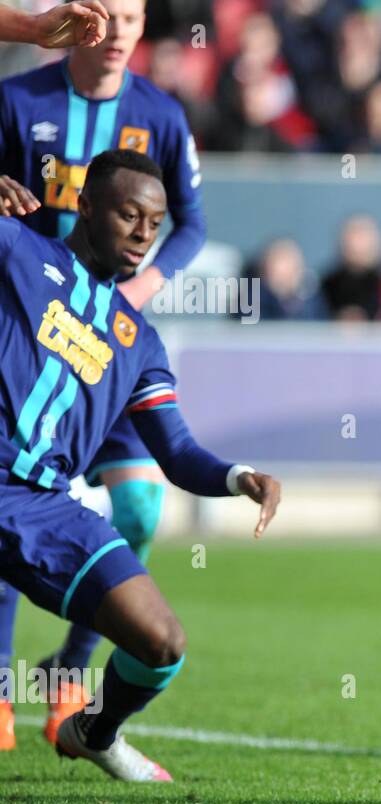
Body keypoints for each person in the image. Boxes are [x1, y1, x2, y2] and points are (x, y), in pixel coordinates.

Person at [0, 149, 280, 779]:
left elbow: (177, 454)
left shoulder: (137, 340)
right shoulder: (19, 251)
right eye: (129, 215)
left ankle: (95, 731)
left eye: (154, 224)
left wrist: (240, 478)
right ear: (87, 206)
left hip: (46, 507)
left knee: (163, 644)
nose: (142, 235)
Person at [0, 0, 208, 750]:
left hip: (109, 342)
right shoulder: (22, 99)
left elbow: (194, 222)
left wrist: (142, 291)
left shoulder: (160, 113)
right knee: (16, 485)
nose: (119, 30)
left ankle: (70, 675)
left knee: (143, 513)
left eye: (133, 16)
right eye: (105, 14)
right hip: (30, 326)